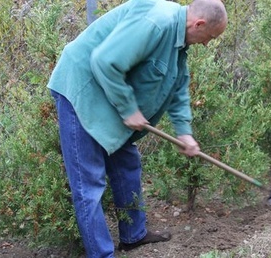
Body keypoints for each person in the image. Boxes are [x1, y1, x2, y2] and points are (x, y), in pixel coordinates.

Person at [47, 0, 227, 256]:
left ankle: (133, 235)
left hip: (108, 93)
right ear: (198, 24)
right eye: (209, 37)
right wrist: (128, 108)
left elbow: (178, 88)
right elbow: (104, 61)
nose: (207, 44)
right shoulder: (156, 23)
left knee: (127, 164)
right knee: (89, 184)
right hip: (82, 89)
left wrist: (184, 131)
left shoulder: (178, 40)